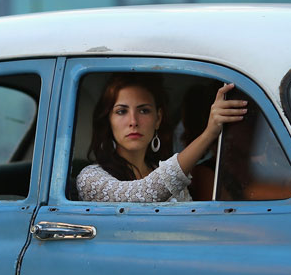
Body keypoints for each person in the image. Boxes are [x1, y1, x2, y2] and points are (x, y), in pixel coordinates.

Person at [76, 73, 247, 202]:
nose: (133, 121)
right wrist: (209, 133)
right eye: (122, 111)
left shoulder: (162, 172)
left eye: (144, 110)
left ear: (158, 119)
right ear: (108, 120)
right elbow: (143, 194)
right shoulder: (90, 178)